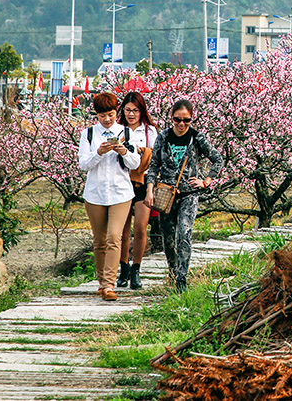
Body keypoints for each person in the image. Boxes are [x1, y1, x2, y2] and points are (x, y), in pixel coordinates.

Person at [144, 99, 223, 292]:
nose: (181, 124)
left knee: (184, 234)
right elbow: (153, 165)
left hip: (189, 193)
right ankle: (172, 271)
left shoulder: (197, 138)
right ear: (172, 118)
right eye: (177, 119)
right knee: (168, 238)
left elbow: (217, 159)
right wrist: (149, 189)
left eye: (186, 120)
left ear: (191, 119)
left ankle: (182, 278)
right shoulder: (163, 137)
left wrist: (206, 181)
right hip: (165, 194)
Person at [77, 92, 140, 301]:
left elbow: (135, 164)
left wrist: (123, 151)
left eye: (111, 114)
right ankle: (102, 282)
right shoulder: (88, 134)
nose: (107, 119)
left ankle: (109, 285)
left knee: (115, 237)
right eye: (102, 115)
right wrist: (99, 152)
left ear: (117, 112)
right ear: (96, 114)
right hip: (95, 193)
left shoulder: (126, 133)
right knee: (100, 240)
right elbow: (83, 165)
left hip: (121, 192)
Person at [116, 91, 158, 290]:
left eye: (135, 110)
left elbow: (155, 162)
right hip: (122, 182)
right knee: (123, 231)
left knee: (141, 228)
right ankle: (123, 269)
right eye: (127, 110)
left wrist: (151, 188)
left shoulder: (149, 132)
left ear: (142, 112)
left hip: (142, 184)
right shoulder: (117, 129)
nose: (131, 114)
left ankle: (136, 269)